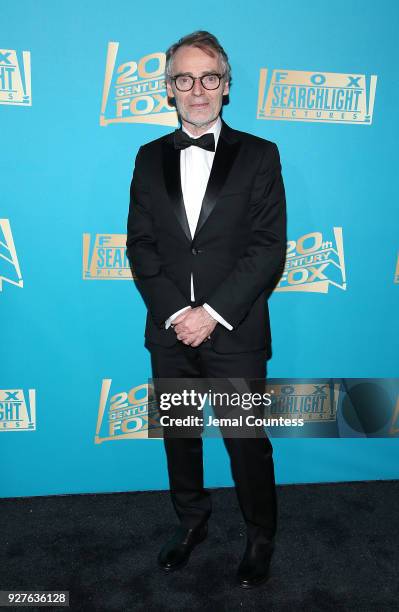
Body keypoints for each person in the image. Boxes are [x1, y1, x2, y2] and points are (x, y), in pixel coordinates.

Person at [126, 30, 287, 589]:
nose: (198, 90)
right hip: (169, 332)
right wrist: (177, 314)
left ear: (226, 87)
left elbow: (268, 247)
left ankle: (260, 535)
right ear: (169, 88)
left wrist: (211, 313)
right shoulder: (148, 159)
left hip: (234, 331)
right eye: (185, 79)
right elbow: (140, 246)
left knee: (246, 443)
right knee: (179, 435)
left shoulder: (260, 155)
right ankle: (191, 524)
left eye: (210, 78)